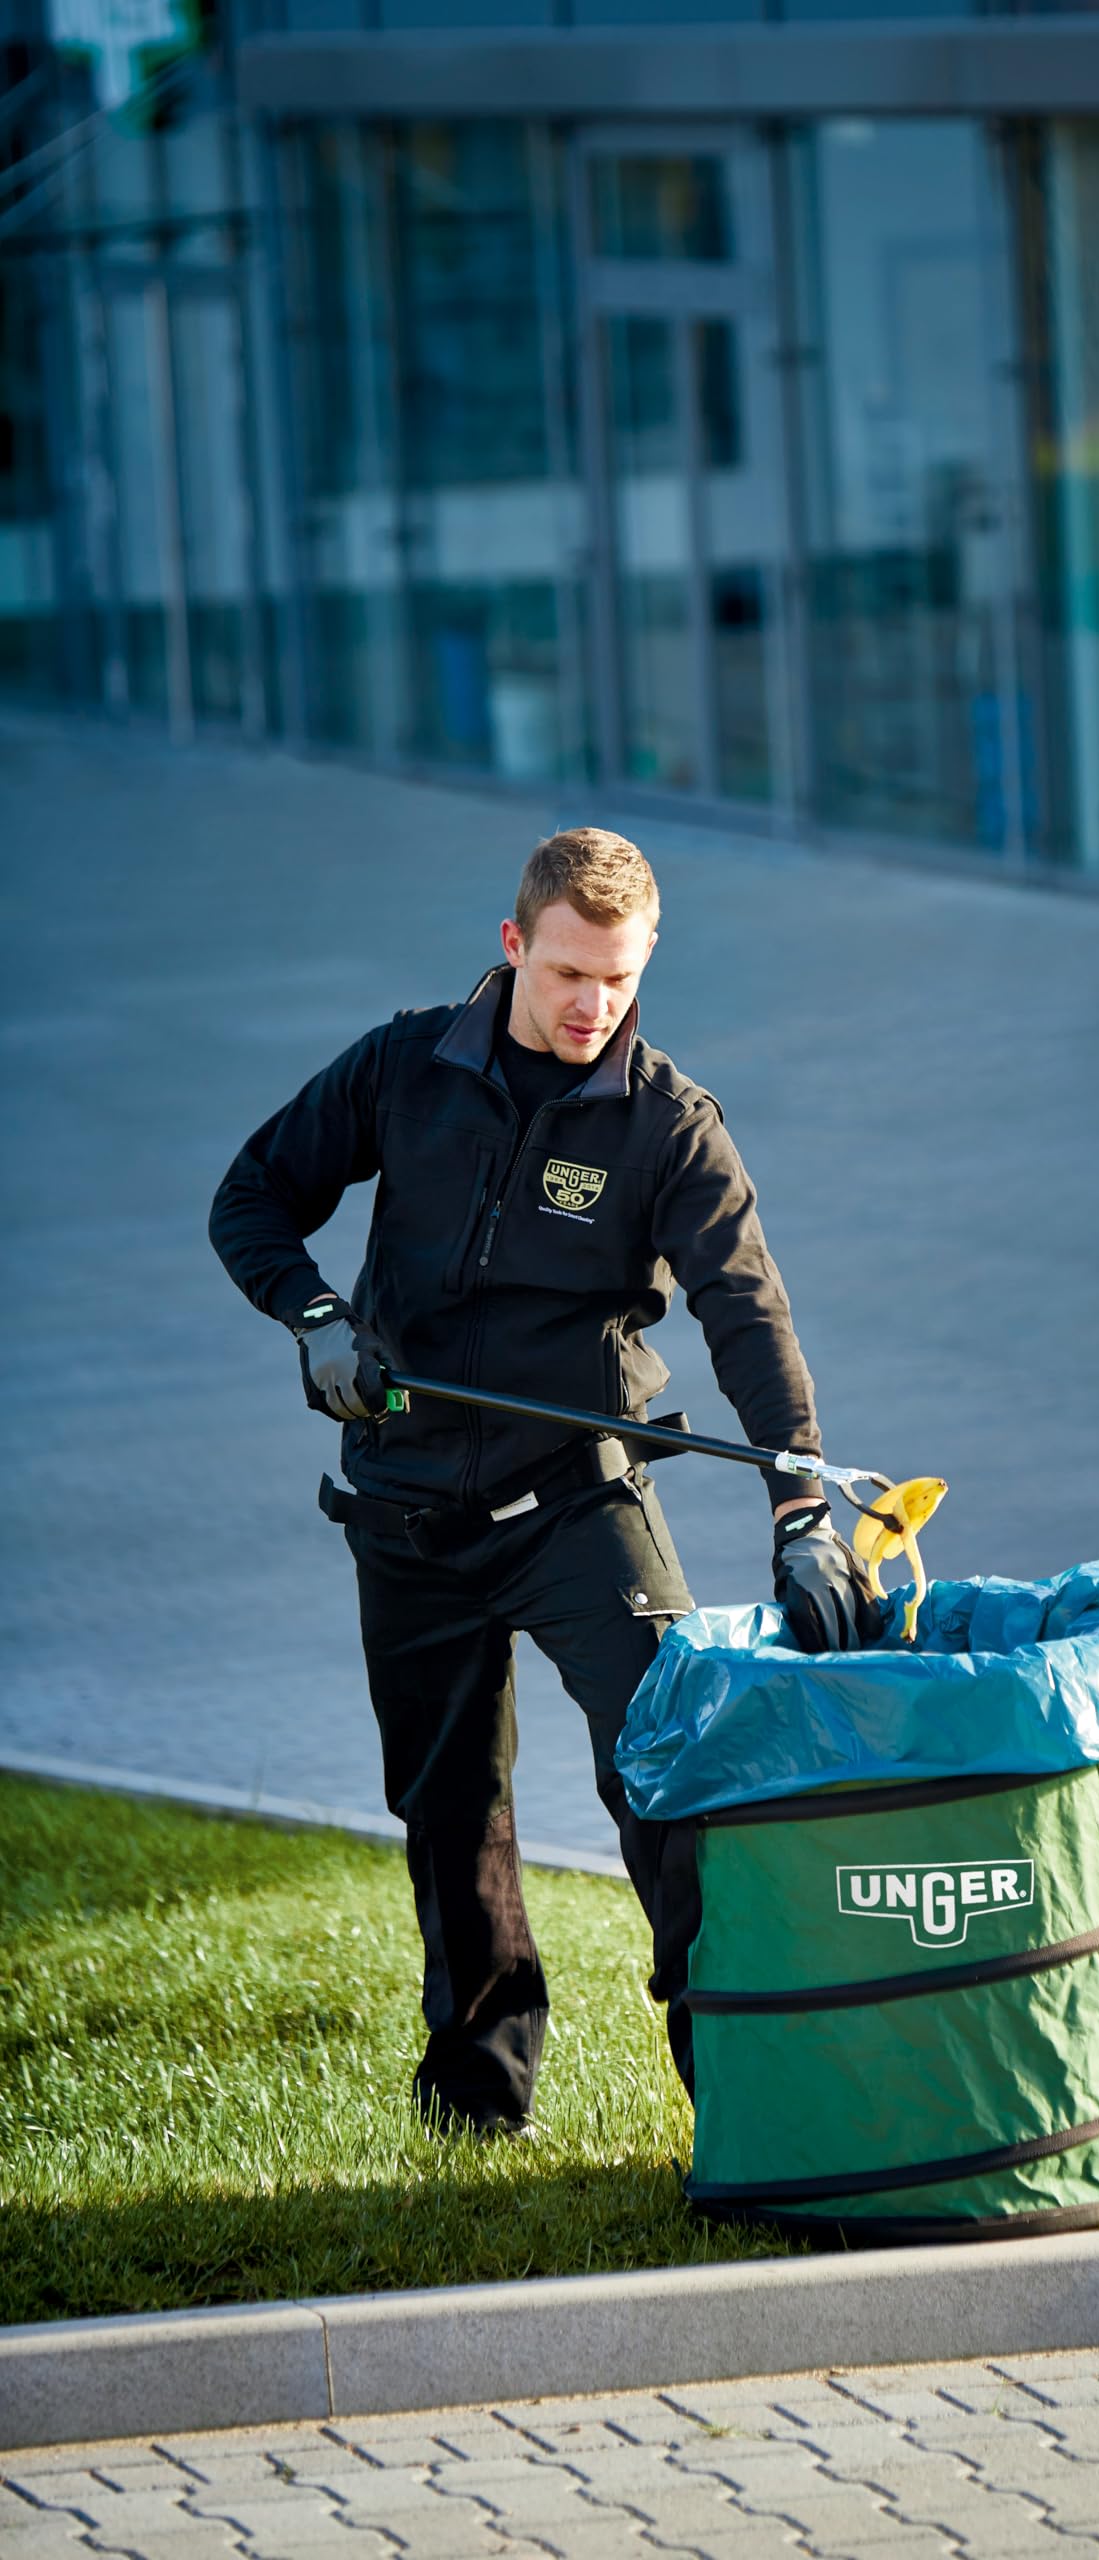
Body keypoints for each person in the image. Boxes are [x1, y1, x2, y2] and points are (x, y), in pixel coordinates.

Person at [210, 826, 873, 2138]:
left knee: (674, 1775)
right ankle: (476, 2103)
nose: (592, 1006)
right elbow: (251, 1197)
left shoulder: (671, 1127)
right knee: (451, 1812)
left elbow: (750, 1318)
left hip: (581, 1501)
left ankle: (753, 2092)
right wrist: (317, 1315)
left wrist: (804, 1514)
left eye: (619, 981)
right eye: (569, 971)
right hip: (404, 1503)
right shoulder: (407, 1066)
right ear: (514, 944)